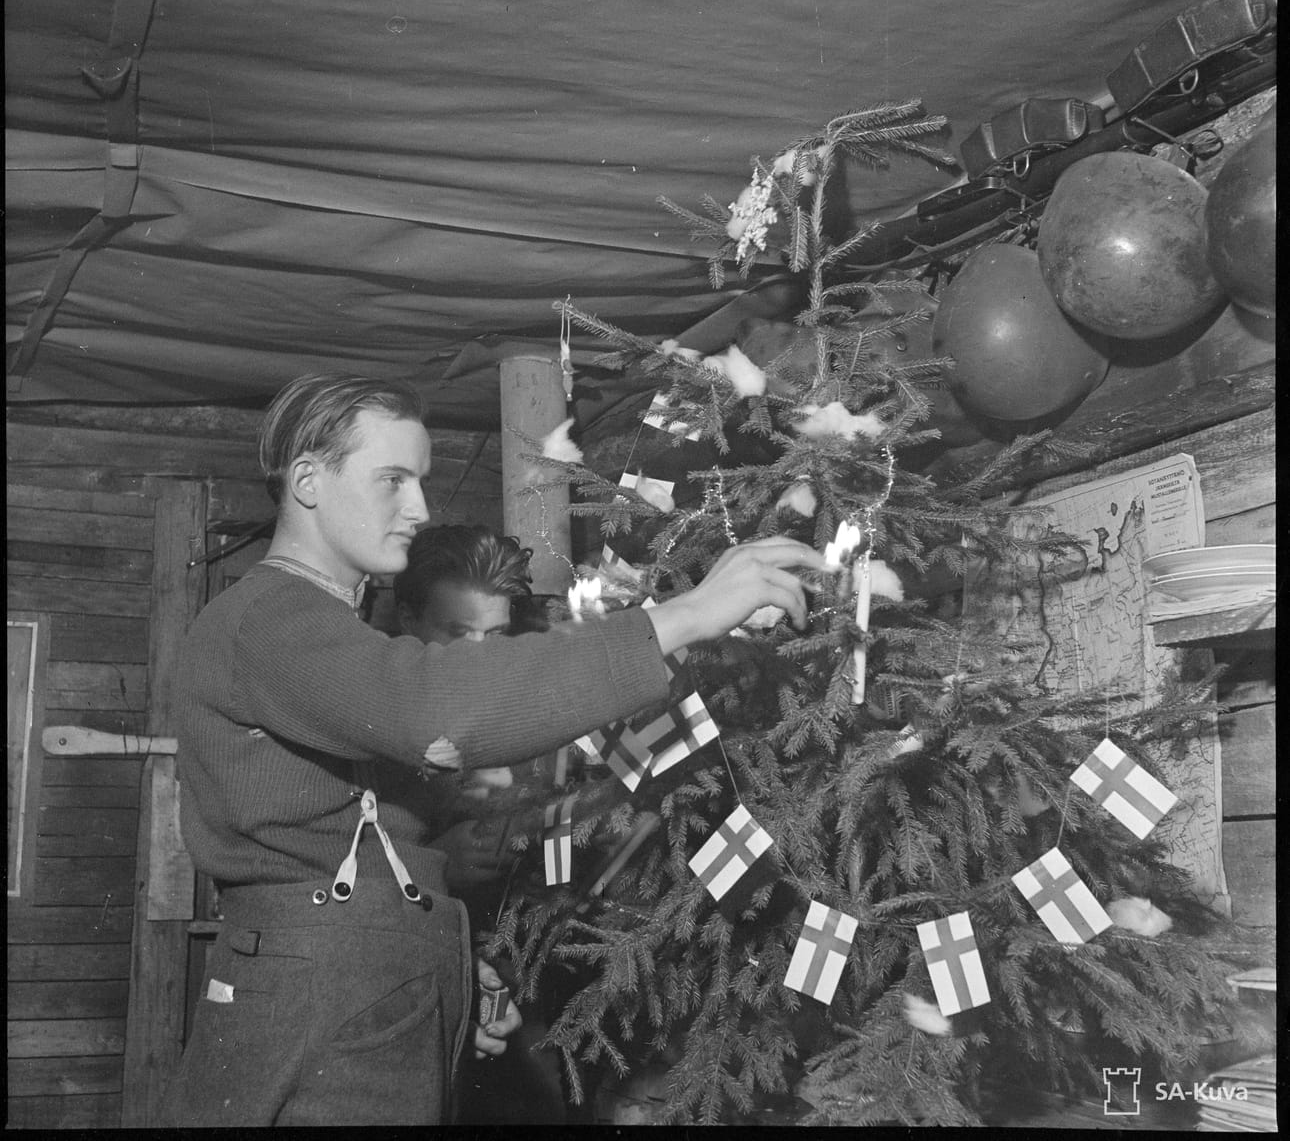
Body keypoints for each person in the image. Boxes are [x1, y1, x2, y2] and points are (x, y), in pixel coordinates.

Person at [159, 372, 829, 1127]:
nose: (419, 508)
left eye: (421, 481)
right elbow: (436, 710)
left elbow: (357, 838)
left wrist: (441, 971)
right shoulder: (270, 617)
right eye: (392, 479)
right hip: (319, 994)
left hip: (355, 984)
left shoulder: (324, 626)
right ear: (309, 482)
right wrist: (685, 615)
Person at [392, 523, 568, 1124]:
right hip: (410, 996)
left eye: (492, 636)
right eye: (455, 632)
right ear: (406, 619)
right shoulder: (368, 716)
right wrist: (440, 864)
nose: (476, 657)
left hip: (526, 991)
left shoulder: (526, 703)